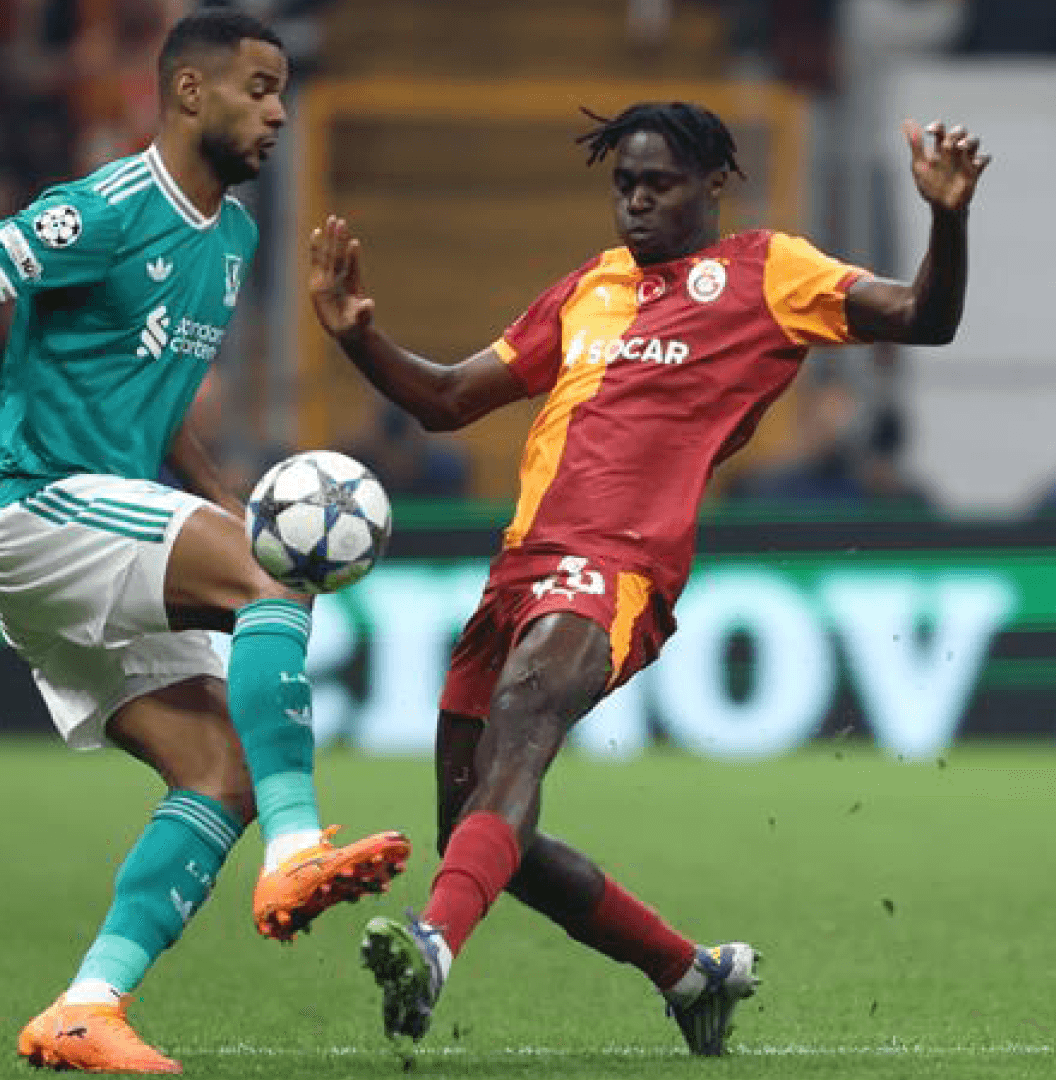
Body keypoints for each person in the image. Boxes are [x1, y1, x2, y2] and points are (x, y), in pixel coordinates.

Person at [0, 10, 410, 1073]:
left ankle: (86, 1006)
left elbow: (156, 404)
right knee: (277, 578)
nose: (278, 113)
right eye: (260, 89)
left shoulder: (235, 238)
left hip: (100, 524)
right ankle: (300, 847)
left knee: (219, 774)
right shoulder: (105, 210)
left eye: (284, 93)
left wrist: (226, 501)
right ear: (190, 92)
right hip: (35, 507)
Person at [308, 101, 989, 1052]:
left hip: (618, 566)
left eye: (657, 184)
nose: (635, 202)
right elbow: (449, 399)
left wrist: (947, 219)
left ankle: (433, 945)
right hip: (518, 570)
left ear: (713, 184)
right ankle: (691, 974)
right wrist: (357, 336)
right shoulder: (589, 286)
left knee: (521, 736)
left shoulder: (771, 271)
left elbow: (925, 318)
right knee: (477, 828)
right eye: (624, 184)